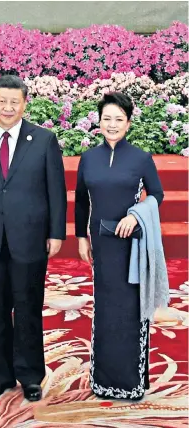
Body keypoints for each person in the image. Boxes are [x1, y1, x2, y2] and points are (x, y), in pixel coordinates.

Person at [0, 75, 67, 401]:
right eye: (2, 101)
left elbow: (57, 191)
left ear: (25, 103)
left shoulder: (44, 139)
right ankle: (1, 376)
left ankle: (31, 375)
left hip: (31, 236)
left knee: (28, 307)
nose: (8, 107)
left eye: (15, 102)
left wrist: (56, 232)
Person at [75, 92, 164, 400]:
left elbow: (157, 195)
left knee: (129, 309)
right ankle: (103, 381)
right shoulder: (88, 158)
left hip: (131, 246)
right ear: (99, 122)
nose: (112, 125)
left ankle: (131, 382)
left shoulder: (140, 158)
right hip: (101, 243)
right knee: (105, 309)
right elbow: (80, 201)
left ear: (128, 123)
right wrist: (81, 237)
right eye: (107, 119)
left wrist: (137, 216)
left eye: (119, 120)